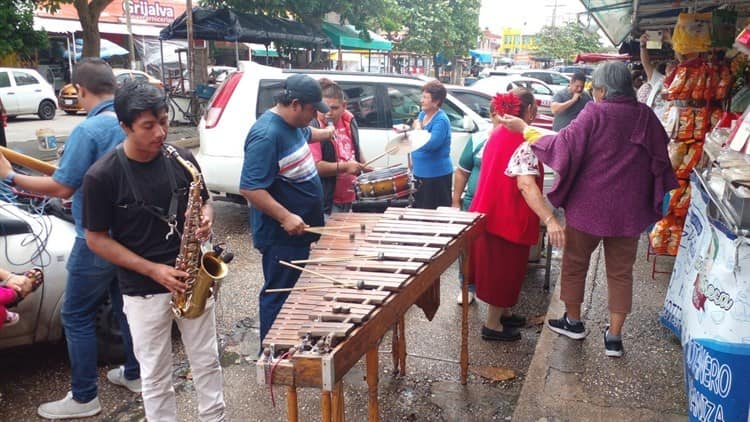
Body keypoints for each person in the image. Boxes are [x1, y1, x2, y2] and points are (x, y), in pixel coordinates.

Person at [498, 62, 678, 357]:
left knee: (575, 264)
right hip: (629, 213)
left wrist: (526, 130)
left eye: (595, 89)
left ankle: (574, 321)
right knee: (621, 274)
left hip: (588, 209)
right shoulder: (644, 115)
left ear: (603, 89)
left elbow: (563, 146)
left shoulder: (596, 112)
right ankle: (615, 339)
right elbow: (661, 154)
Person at [0, 58, 141, 420]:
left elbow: (63, 185)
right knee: (124, 308)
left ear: (79, 90)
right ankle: (135, 374)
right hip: (129, 237)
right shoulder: (131, 125)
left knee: (75, 314)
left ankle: (84, 397)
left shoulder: (88, 131)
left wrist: (12, 178)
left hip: (96, 239)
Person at [82, 81, 225, 421]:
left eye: (164, 120)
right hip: (143, 290)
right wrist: (153, 270)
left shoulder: (182, 159)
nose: (161, 132)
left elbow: (206, 202)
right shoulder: (102, 176)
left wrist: (205, 219)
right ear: (124, 127)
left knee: (207, 360)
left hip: (191, 279)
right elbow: (96, 239)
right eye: (149, 126)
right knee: (155, 375)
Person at [239, 74, 334, 342]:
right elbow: (250, 187)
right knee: (278, 294)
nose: (315, 115)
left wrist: (327, 134)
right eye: (313, 110)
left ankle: (289, 342)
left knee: (294, 293)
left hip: (300, 233)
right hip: (281, 236)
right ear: (295, 104)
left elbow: (307, 132)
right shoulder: (267, 135)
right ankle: (271, 355)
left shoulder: (292, 124)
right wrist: (286, 216)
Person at [469, 88, 565, 341]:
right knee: (503, 272)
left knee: (504, 271)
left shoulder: (498, 132)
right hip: (506, 216)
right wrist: (550, 219)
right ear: (530, 111)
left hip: (489, 211)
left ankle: (504, 314)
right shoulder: (524, 140)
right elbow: (526, 185)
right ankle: (492, 325)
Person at [451, 98, 503, 305]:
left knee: (494, 252)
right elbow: (462, 171)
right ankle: (466, 286)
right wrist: (456, 201)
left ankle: (493, 291)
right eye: (500, 114)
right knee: (468, 248)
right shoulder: (478, 139)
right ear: (492, 116)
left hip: (499, 207)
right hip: (472, 204)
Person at [308, 78, 369, 216]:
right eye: (324, 108)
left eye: (334, 108)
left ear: (344, 106)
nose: (329, 112)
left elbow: (354, 147)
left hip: (352, 195)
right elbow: (315, 167)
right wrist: (346, 167)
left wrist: (365, 166)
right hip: (328, 200)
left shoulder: (349, 119)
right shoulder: (314, 126)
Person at [412, 80, 452, 209]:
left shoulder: (441, 120)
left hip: (436, 175)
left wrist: (418, 129)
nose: (421, 100)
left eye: (425, 97)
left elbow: (431, 144)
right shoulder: (422, 114)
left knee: (433, 213)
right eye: (422, 96)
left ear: (436, 101)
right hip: (420, 173)